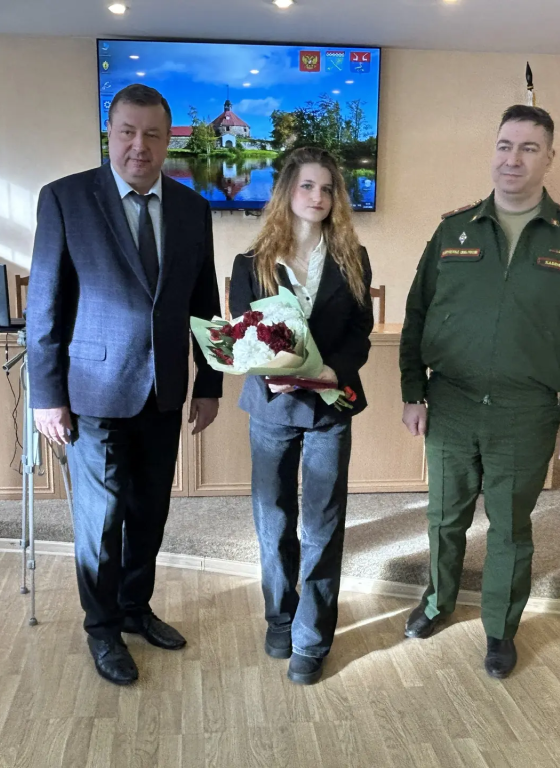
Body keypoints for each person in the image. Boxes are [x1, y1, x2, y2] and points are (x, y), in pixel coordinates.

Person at [398, 105, 560, 679]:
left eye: (528, 148)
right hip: (452, 402)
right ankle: (437, 602)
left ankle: (500, 628)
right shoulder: (454, 230)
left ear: (549, 158)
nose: (512, 159)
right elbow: (417, 313)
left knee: (511, 528)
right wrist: (413, 390)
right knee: (444, 517)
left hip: (526, 411)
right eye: (504, 145)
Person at [26, 84, 222, 686]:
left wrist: (209, 381)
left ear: (168, 141)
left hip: (163, 391)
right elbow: (45, 304)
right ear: (109, 135)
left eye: (153, 134)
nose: (140, 146)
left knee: (149, 513)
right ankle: (103, 626)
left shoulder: (192, 209)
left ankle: (136, 608)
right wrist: (46, 395)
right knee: (101, 522)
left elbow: (204, 302)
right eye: (128, 132)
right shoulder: (65, 199)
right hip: (92, 392)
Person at [229, 147, 374, 686]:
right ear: (287, 190)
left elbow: (360, 332)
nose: (318, 197)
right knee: (274, 521)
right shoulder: (250, 263)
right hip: (272, 407)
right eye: (307, 186)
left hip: (331, 406)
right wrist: (269, 367)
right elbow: (244, 335)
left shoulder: (353, 258)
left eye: (327, 188)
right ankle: (280, 617)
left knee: (322, 525)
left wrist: (334, 369)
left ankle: (312, 639)